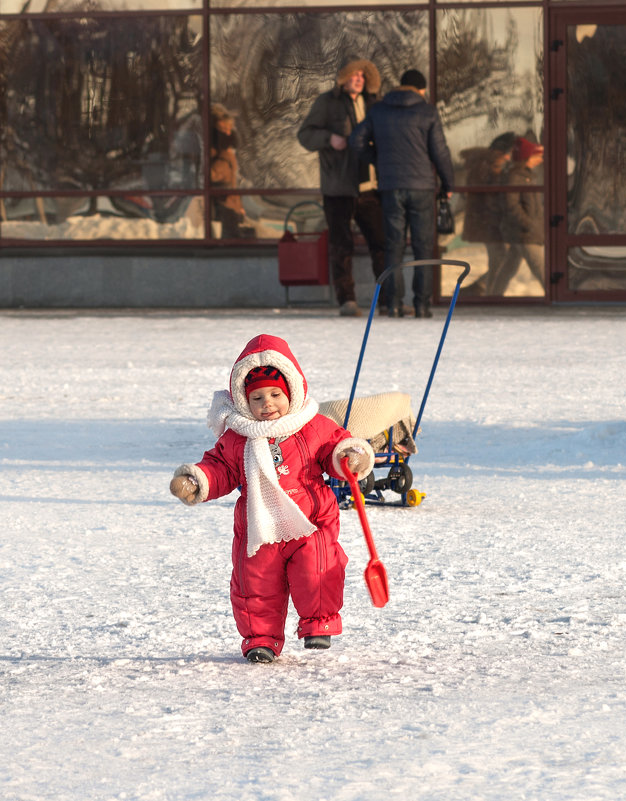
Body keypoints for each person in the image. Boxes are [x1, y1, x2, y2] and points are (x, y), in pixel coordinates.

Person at [168, 334, 375, 663]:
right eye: (258, 397)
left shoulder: (313, 425)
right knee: (256, 581)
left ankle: (318, 623)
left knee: (317, 568)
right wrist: (198, 481)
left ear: (291, 391)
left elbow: (335, 447)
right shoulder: (238, 437)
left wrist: (349, 457)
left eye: (276, 394)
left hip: (311, 520)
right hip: (259, 523)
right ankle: (260, 639)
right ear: (242, 400)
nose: (268, 404)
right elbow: (219, 466)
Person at [349, 68, 454, 318]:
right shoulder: (427, 112)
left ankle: (394, 304)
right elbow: (440, 151)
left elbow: (356, 141)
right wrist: (448, 184)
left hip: (391, 187)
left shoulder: (379, 110)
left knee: (394, 246)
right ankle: (421, 305)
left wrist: (377, 160)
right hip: (422, 188)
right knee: (423, 248)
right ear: (421, 90)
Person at [297, 58, 388, 316]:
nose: (359, 78)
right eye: (354, 74)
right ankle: (347, 300)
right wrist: (328, 138)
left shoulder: (375, 104)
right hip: (338, 186)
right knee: (341, 245)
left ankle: (386, 300)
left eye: (362, 75)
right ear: (343, 77)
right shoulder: (327, 102)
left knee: (381, 244)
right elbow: (304, 135)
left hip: (370, 186)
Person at [485, 137, 546, 297]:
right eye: (537, 156)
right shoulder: (515, 177)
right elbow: (512, 206)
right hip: (523, 232)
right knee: (541, 269)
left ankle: (493, 297)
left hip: (521, 231)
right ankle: (555, 297)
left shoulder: (525, 175)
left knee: (508, 268)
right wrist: (529, 224)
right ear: (528, 157)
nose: (540, 159)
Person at [460, 132, 517, 295]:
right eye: (510, 153)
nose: (509, 158)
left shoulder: (482, 162)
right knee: (501, 257)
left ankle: (486, 291)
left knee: (499, 257)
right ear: (503, 151)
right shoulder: (491, 164)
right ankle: (485, 292)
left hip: (482, 219)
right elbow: (490, 196)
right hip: (489, 220)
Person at [209, 103, 250, 239]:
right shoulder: (220, 154)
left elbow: (230, 180)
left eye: (229, 129)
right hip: (225, 206)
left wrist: (239, 206)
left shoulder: (226, 153)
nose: (228, 132)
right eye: (224, 129)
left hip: (229, 205)